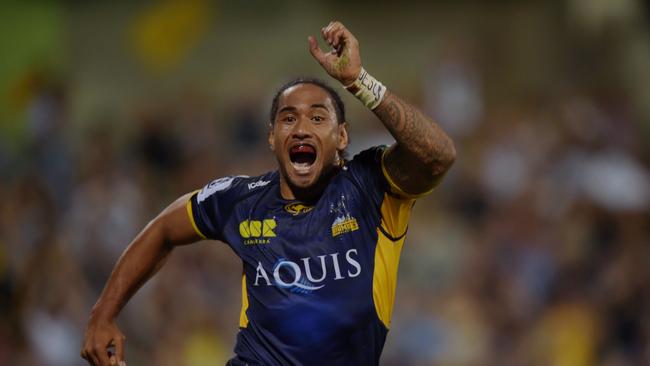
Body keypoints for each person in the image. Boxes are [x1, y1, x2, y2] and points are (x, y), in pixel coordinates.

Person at [81, 21, 456, 366]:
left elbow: (438, 156)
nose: (301, 128)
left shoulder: (370, 187)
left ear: (342, 137)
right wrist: (103, 314)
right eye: (288, 118)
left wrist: (359, 81)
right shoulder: (241, 200)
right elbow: (163, 229)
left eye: (318, 117)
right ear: (272, 138)